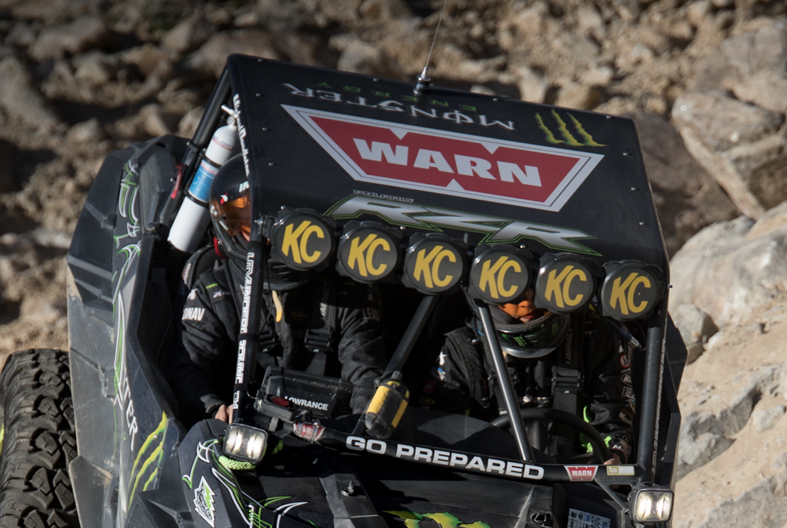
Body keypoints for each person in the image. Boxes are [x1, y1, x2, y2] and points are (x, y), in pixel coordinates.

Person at [167, 158, 385, 424]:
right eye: (248, 220)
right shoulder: (213, 291)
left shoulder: (348, 288)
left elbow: (366, 371)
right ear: (225, 223)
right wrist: (214, 410)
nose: (267, 236)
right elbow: (189, 370)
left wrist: (363, 425)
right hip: (238, 435)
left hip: (328, 435)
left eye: (283, 225)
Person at [414, 290, 634, 464]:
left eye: (537, 288)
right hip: (487, 482)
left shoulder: (593, 337)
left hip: (574, 483)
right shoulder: (463, 348)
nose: (528, 303)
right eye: (512, 290)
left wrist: (614, 455)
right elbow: (439, 435)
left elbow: (613, 419)